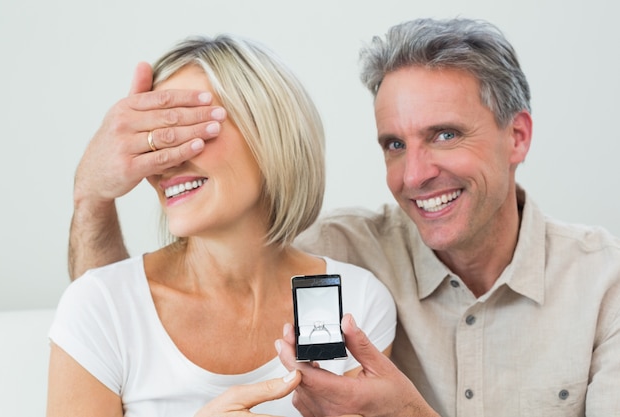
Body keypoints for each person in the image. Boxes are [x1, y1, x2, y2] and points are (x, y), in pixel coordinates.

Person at [66, 18, 620, 417]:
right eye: (393, 144)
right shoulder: (338, 258)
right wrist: (94, 196)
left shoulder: (603, 285)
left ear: (517, 136)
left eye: (445, 135)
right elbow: (115, 313)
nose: (415, 174)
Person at [48, 34, 396, 417]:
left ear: (269, 133)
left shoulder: (357, 303)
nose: (164, 161)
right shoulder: (98, 305)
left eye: (187, 128)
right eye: (155, 138)